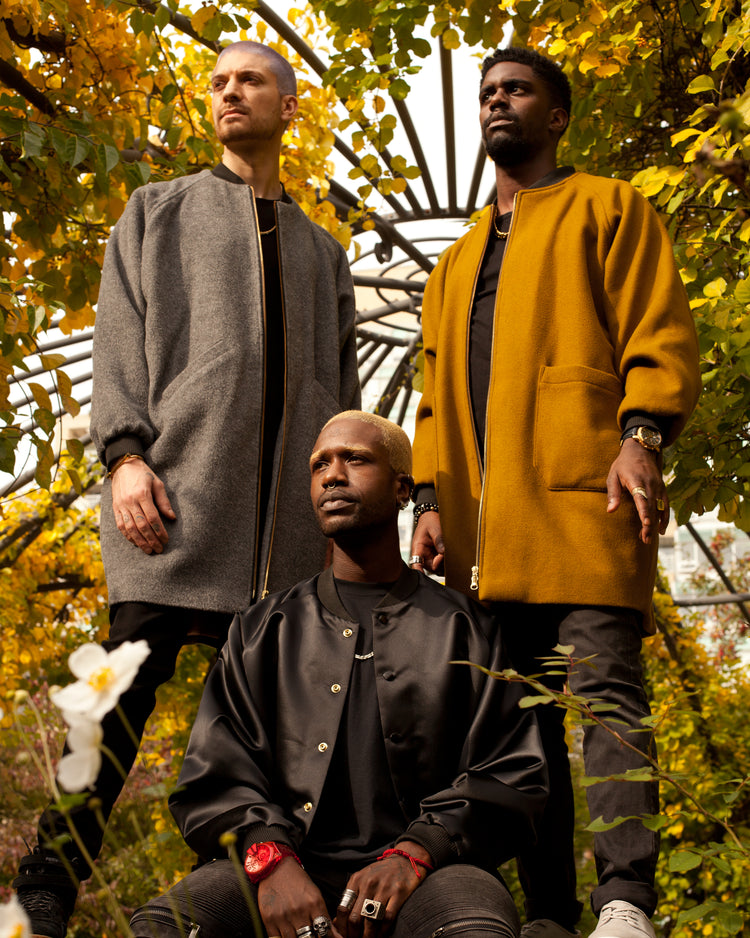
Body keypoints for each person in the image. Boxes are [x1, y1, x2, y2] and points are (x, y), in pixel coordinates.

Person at [14, 40, 360, 938]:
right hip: (172, 501)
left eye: (249, 80)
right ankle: (46, 882)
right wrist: (125, 456)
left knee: (271, 733)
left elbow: (345, 405)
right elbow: (117, 344)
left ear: (289, 107)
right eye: (217, 83)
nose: (228, 93)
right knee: (117, 691)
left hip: (285, 534)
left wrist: (335, 520)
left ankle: (225, 892)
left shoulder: (326, 254)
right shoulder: (155, 212)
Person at [410, 46, 701, 938]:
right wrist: (426, 502)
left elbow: (658, 327)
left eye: (517, 91)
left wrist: (641, 436)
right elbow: (430, 398)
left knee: (604, 696)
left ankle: (625, 901)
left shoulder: (611, 207)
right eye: (488, 93)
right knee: (519, 730)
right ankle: (550, 917)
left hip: (587, 503)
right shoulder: (454, 262)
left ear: (558, 115)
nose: (498, 102)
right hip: (485, 540)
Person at [128, 410, 548, 938]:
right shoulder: (262, 629)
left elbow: (512, 773)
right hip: (282, 868)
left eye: (355, 459)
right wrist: (270, 861)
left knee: (473, 930)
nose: (332, 475)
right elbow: (214, 776)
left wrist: (417, 852)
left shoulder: (468, 628)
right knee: (165, 926)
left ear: (402, 489)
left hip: (432, 874)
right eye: (319, 464)